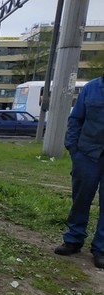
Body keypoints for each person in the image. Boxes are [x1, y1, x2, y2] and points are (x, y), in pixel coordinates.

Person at [54, 74, 104, 269]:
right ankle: (73, 240)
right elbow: (76, 120)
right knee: (81, 199)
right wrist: (73, 149)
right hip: (87, 154)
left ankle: (101, 249)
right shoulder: (91, 89)